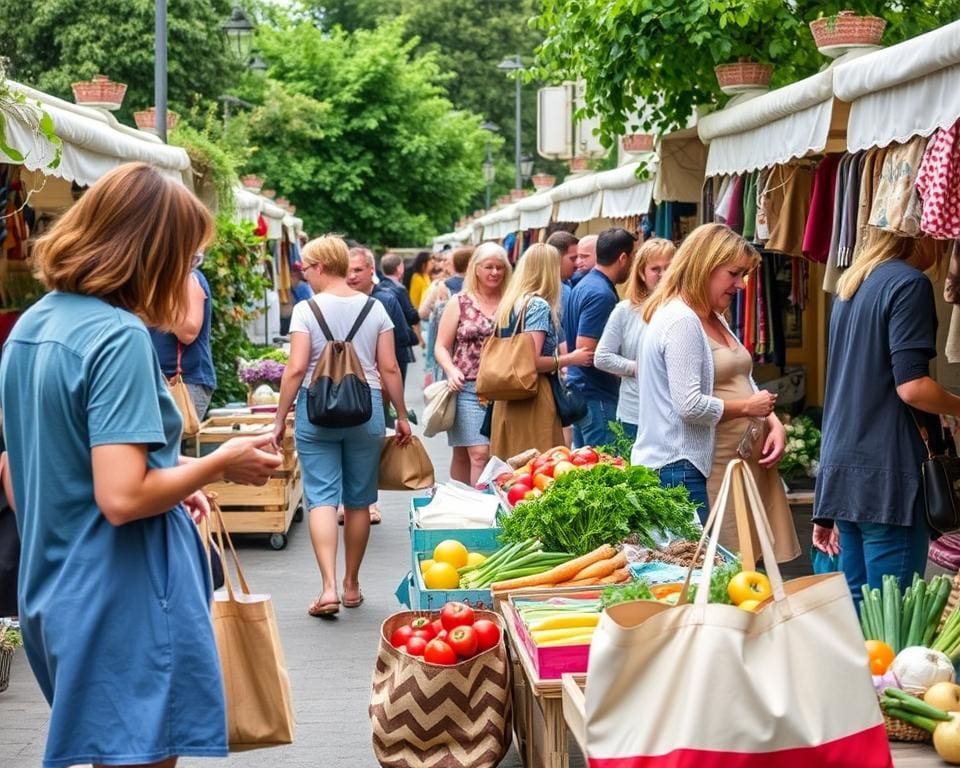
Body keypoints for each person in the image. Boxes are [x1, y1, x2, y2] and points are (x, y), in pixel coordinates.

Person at [0, 162, 281, 768]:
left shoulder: (33, 327)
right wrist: (216, 465)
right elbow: (123, 497)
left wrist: (170, 472)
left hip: (56, 586)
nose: (186, 275)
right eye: (184, 259)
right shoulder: (118, 336)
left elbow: (21, 468)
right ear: (149, 253)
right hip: (125, 592)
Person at [273, 235, 412, 617]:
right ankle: (352, 585)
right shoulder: (375, 308)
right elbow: (389, 368)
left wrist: (279, 417)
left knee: (320, 497)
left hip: (315, 409)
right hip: (365, 408)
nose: (303, 273)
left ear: (319, 266)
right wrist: (399, 414)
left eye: (305, 266)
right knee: (359, 501)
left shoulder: (306, 310)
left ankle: (328, 588)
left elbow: (296, 368)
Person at [814, 230, 957, 594]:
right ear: (919, 237)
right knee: (894, 616)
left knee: (863, 610)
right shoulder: (910, 284)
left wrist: (824, 506)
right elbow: (912, 387)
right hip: (889, 474)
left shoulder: (852, 285)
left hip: (845, 472)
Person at [633, 223, 777, 521]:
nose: (740, 285)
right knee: (696, 566)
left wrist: (768, 418)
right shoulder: (683, 320)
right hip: (677, 466)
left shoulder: (700, 314)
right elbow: (689, 405)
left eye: (743, 275)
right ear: (705, 266)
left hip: (677, 465)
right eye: (734, 274)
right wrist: (748, 407)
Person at [487, 244, 594, 459]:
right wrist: (570, 359)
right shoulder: (537, 305)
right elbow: (531, 361)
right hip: (532, 395)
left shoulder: (510, 302)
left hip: (506, 395)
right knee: (538, 465)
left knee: (510, 468)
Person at [345, 246, 412, 525]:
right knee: (344, 439)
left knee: (370, 443)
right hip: (344, 381)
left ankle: (368, 501)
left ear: (371, 270)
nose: (351, 276)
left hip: (378, 382)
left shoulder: (385, 299)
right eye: (347, 270)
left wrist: (393, 392)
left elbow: (400, 344)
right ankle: (346, 500)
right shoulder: (337, 300)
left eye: (357, 270)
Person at [434, 243, 511, 484]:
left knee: (467, 453)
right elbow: (441, 346)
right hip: (467, 387)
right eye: (489, 267)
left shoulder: (511, 301)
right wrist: (450, 370)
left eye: (500, 267)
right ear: (475, 269)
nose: (495, 272)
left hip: (504, 387)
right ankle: (477, 508)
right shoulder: (460, 302)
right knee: (478, 454)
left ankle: (463, 500)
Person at [594, 237, 675, 440]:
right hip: (634, 415)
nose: (663, 274)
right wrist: (636, 368)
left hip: (674, 416)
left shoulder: (686, 310)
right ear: (641, 272)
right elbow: (602, 356)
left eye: (669, 267)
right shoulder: (625, 311)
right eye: (655, 269)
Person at [562, 227, 636, 448]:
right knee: (604, 467)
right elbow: (586, 350)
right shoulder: (600, 294)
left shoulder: (585, 284)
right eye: (632, 257)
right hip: (596, 395)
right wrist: (631, 367)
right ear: (623, 257)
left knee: (586, 467)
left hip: (582, 390)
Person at [149, 262, 217, 419]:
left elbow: (188, 332)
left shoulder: (187, 278)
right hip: (152, 380)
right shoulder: (146, 281)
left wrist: (161, 296)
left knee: (164, 441)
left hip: (182, 382)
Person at [378, 251, 421, 374]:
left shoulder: (378, 288)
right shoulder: (399, 288)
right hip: (399, 340)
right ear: (399, 268)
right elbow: (412, 316)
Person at [546, 230, 579, 322]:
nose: (577, 263)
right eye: (573, 258)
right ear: (556, 259)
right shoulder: (561, 291)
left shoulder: (569, 283)